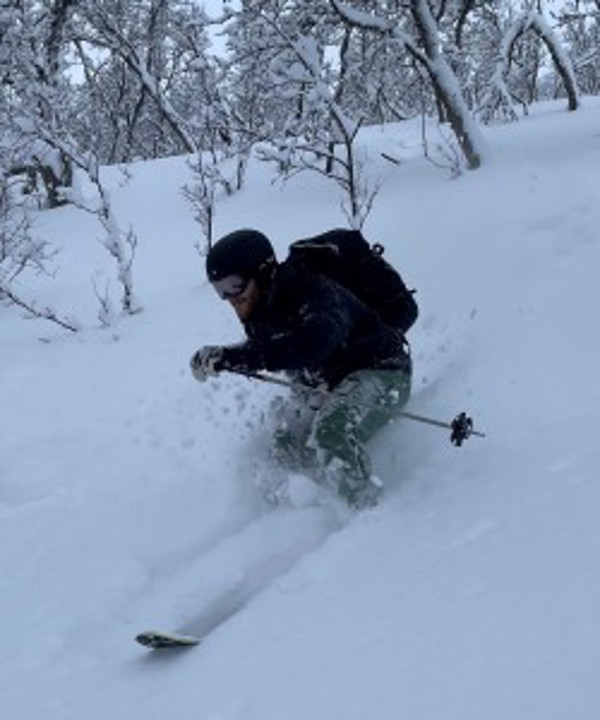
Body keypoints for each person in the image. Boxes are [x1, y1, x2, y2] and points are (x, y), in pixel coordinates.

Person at [190, 229, 412, 508]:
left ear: (262, 272)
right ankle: (300, 510)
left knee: (331, 431)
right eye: (220, 289)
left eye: (235, 284)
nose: (230, 298)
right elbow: (266, 351)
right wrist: (225, 356)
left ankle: (364, 513)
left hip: (384, 373)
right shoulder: (260, 314)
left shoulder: (312, 291)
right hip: (329, 386)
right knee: (284, 441)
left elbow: (314, 342)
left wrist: (234, 358)